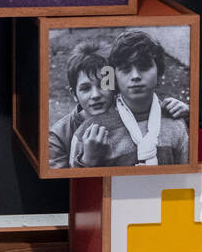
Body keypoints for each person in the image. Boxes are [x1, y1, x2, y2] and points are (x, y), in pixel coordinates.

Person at [71, 30, 189, 168]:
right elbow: (78, 185)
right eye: (125, 69)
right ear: (114, 77)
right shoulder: (90, 134)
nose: (135, 76)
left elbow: (185, 178)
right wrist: (88, 162)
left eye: (144, 67)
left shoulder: (176, 125)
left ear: (159, 73)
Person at [49, 43, 113, 170]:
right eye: (85, 88)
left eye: (103, 85)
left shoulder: (129, 115)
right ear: (74, 94)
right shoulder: (59, 135)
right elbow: (58, 185)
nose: (95, 95)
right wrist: (88, 161)